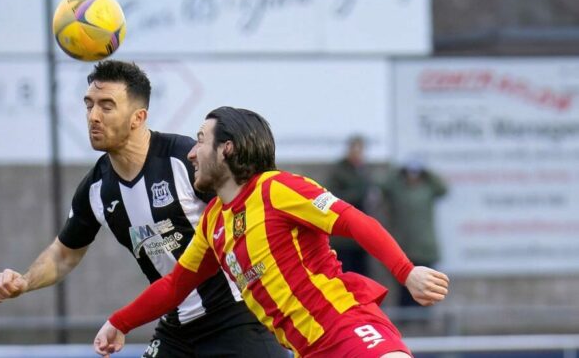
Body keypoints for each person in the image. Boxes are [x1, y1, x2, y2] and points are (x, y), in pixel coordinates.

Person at [93, 106, 450, 358]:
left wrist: (407, 271)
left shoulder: (275, 189)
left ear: (227, 148)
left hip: (346, 327)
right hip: (307, 350)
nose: (191, 153)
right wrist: (119, 322)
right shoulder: (214, 222)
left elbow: (354, 221)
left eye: (200, 140)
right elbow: (174, 286)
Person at [0, 62, 287, 358]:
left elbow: (251, 213)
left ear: (138, 117)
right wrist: (25, 281)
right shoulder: (96, 188)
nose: (93, 116)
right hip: (176, 328)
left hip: (238, 320)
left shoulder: (186, 160)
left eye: (106, 106)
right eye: (89, 104)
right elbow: (64, 254)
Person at [380, 160, 448, 309]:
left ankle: (424, 322)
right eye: (409, 173)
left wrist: (427, 172)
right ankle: (406, 321)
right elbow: (384, 187)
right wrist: (397, 172)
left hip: (425, 248)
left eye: (416, 173)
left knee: (427, 288)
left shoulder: (427, 189)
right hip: (404, 247)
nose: (413, 177)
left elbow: (443, 189)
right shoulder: (399, 190)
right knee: (404, 289)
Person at [326, 135, 375, 276]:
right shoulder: (339, 170)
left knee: (363, 274)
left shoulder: (364, 170)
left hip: (361, 234)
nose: (358, 154)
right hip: (344, 236)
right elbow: (333, 197)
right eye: (355, 149)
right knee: (345, 274)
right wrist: (359, 193)